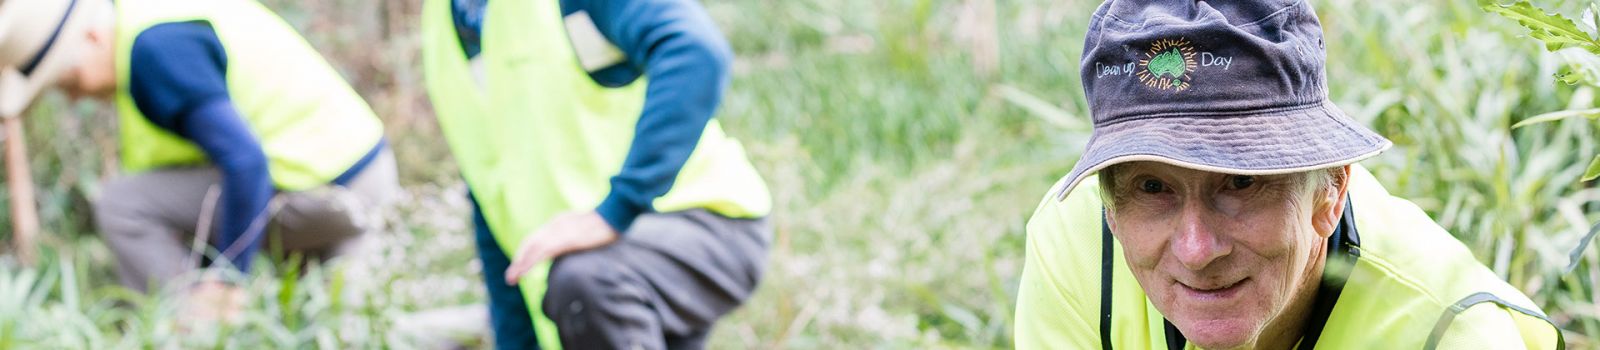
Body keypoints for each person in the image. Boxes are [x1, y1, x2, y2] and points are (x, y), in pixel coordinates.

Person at [1013, 0, 1564, 348]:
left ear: (1330, 192)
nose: (1197, 249)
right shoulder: (1074, 247)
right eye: (1153, 187)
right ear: (1110, 206)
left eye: (1241, 182)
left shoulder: (1447, 335)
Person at [0, 0, 396, 317]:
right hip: (355, 177)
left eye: (68, 80)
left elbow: (246, 162)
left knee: (124, 204)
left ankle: (192, 330)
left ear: (92, 38)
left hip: (328, 189)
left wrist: (225, 281)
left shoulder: (156, 52)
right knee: (344, 330)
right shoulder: (153, 20)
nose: (74, 96)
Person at [419, 0, 773, 348]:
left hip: (702, 221)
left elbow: (696, 52)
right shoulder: (443, 28)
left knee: (586, 281)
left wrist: (616, 208)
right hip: (598, 269)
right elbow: (494, 202)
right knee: (584, 283)